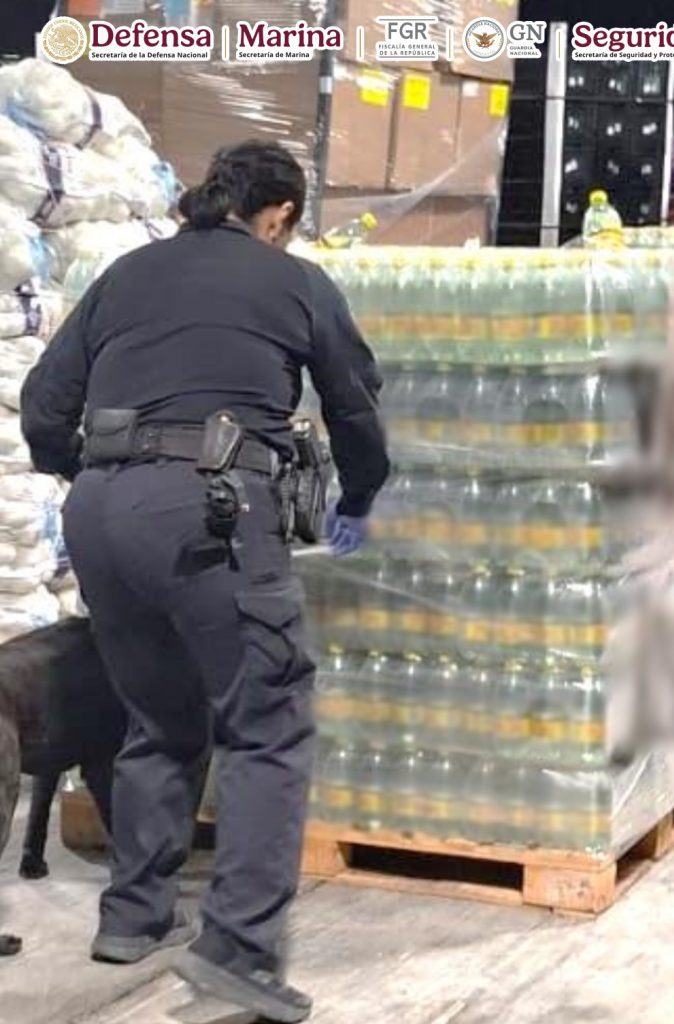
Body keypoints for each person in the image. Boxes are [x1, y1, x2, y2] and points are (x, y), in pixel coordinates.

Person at [20, 140, 389, 1023]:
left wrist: (100, 478)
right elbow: (354, 403)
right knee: (267, 728)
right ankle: (240, 954)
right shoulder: (295, 281)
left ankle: (134, 916)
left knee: (157, 716)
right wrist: (362, 495)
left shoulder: (126, 273)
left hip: (101, 514)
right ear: (280, 216)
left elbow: (42, 407)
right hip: (215, 513)